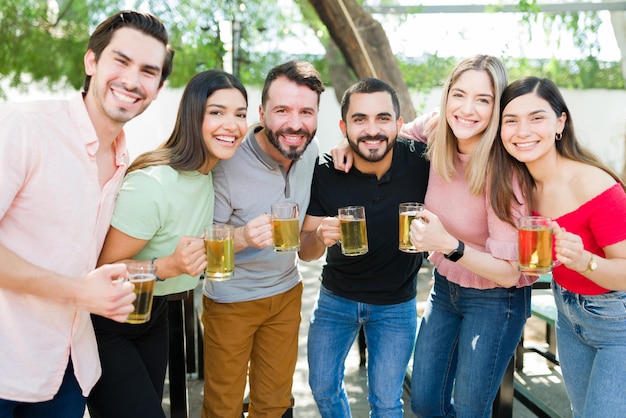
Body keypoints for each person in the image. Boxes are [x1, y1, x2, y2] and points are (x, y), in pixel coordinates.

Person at [332, 55, 535, 417]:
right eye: (459, 94)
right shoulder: (438, 129)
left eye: (483, 100)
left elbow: (509, 272)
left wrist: (449, 246)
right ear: (447, 96)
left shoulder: (505, 171)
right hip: (446, 290)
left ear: (498, 106)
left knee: (471, 409)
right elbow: (388, 135)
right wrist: (353, 143)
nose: (467, 109)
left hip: (495, 299)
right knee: (426, 402)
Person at [0, 10, 173, 418]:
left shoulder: (124, 157)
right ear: (91, 61)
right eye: (121, 61)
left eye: (148, 71)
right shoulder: (25, 128)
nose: (133, 80)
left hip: (68, 372)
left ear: (159, 87)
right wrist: (80, 291)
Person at [86, 69, 248, 417]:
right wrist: (166, 266)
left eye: (240, 114)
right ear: (193, 116)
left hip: (155, 313)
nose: (232, 125)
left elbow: (283, 137)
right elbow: (102, 269)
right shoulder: (153, 184)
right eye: (217, 112)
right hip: (107, 323)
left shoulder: (211, 169)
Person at [491, 76, 626, 417]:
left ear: (560, 123)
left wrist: (584, 261)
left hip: (616, 320)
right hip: (567, 312)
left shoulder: (593, 184)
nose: (523, 131)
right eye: (511, 120)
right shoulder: (522, 182)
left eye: (536, 117)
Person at [200, 60, 325, 418]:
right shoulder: (227, 161)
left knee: (273, 405)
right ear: (261, 112)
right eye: (282, 110)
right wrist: (240, 237)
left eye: (306, 111)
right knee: (222, 407)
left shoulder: (311, 152)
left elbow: (305, 245)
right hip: (231, 302)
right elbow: (198, 251)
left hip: (286, 294)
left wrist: (320, 235)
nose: (295, 123)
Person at [299, 78, 430, 417]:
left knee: (387, 403)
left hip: (396, 305)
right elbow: (305, 251)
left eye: (382, 118)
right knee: (324, 389)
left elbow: (460, 119)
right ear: (344, 126)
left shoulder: (422, 162)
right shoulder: (328, 170)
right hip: (336, 300)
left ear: (399, 125)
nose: (372, 130)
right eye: (360, 120)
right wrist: (319, 237)